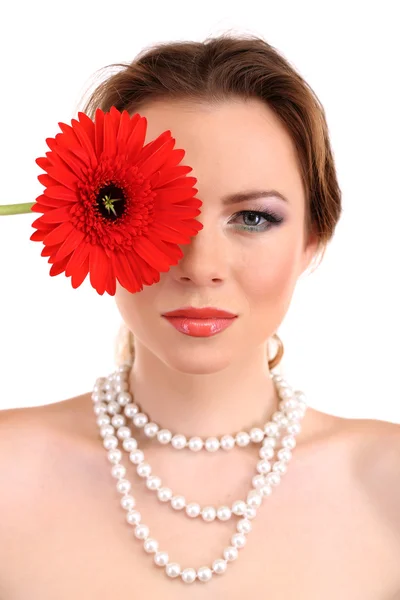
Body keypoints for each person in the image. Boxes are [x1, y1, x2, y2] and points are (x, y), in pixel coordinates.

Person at [0, 33, 399, 598]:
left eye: (253, 219)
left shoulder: (389, 485)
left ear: (314, 239)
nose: (200, 266)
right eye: (157, 212)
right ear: (90, 225)